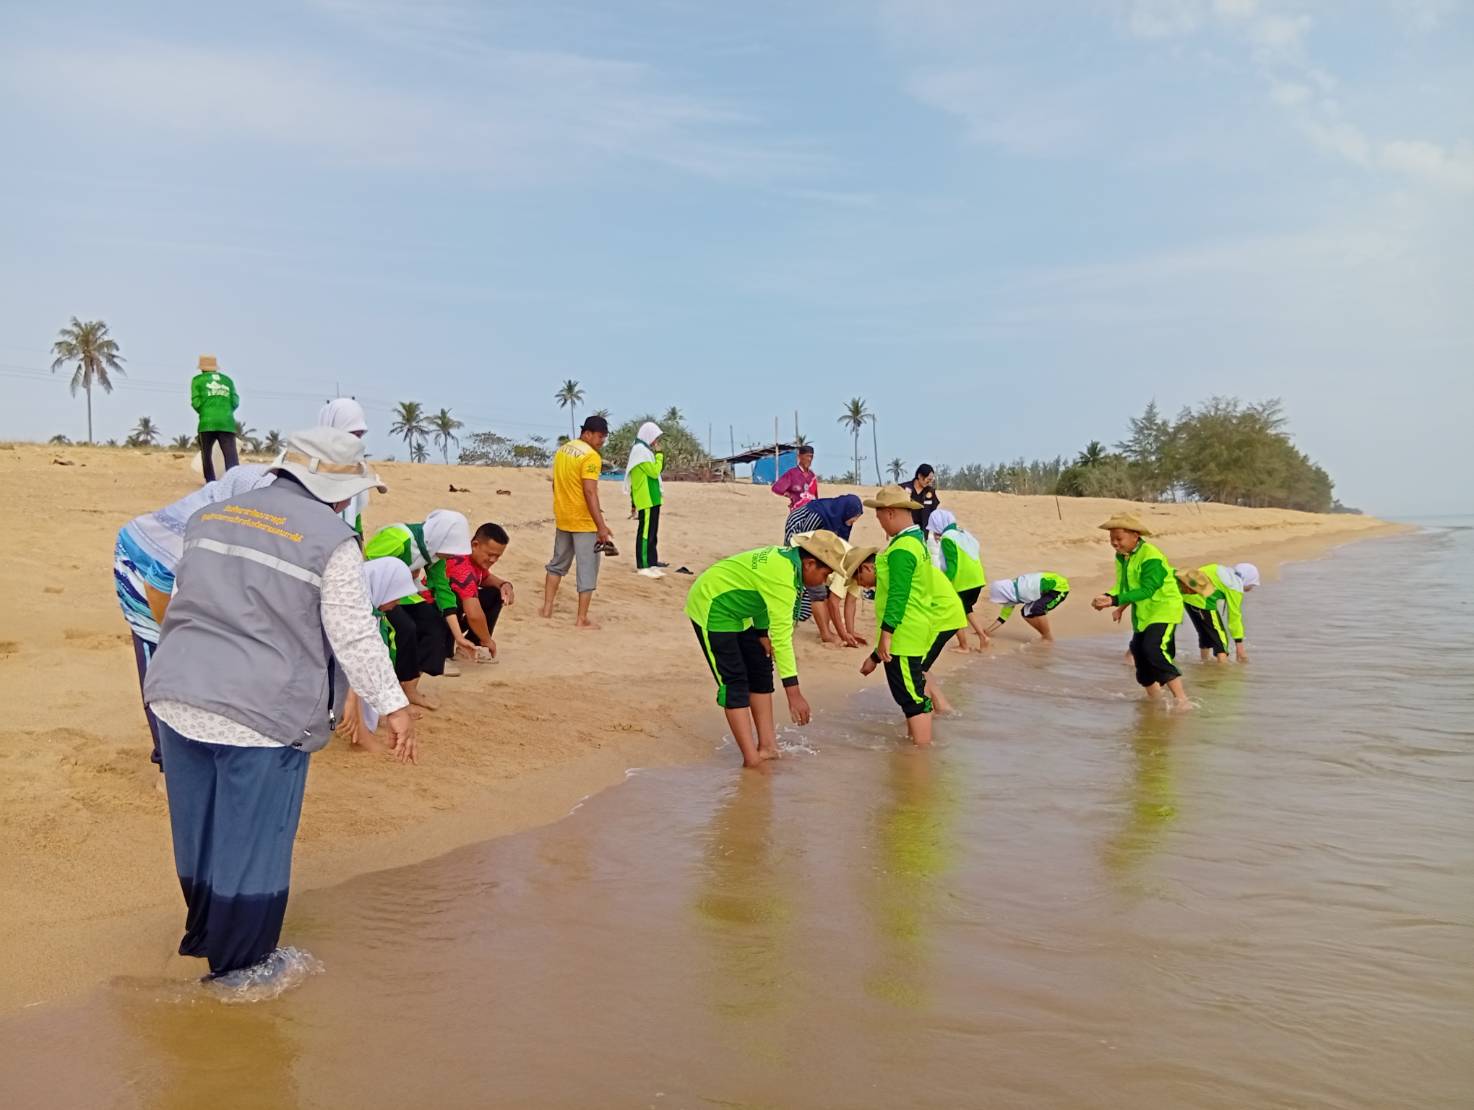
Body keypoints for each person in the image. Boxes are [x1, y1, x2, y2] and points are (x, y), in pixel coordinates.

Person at [142, 427, 414, 986]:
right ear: (340, 491)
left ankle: (205, 933)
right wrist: (394, 707)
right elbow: (354, 635)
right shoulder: (332, 539)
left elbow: (181, 596)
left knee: (199, 830)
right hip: (261, 713)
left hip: (176, 693)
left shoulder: (212, 517)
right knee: (255, 840)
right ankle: (239, 973)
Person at [114, 462, 277, 769]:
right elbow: (157, 580)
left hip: (170, 575)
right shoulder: (202, 524)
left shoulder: (238, 513)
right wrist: (172, 633)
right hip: (137, 566)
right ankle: (165, 763)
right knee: (158, 663)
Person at [685, 531, 848, 768]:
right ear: (809, 563)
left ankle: (768, 747)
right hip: (712, 605)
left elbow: (761, 594)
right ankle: (751, 759)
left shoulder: (790, 564)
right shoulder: (783, 576)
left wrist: (762, 633)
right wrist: (794, 695)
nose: (825, 581)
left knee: (761, 668)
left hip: (743, 611)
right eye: (825, 574)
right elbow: (782, 639)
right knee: (734, 681)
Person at [852, 487, 965, 744]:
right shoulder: (915, 542)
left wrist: (886, 636)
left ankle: (920, 756)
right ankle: (917, 744)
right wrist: (875, 655)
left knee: (912, 697)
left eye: (879, 518)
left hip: (904, 634)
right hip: (912, 630)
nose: (880, 524)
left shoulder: (902, 548)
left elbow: (898, 595)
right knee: (911, 692)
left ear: (890, 513)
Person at [363, 511, 473, 708]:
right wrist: (404, 573)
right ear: (441, 538)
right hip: (378, 594)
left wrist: (459, 636)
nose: (451, 555)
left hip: (406, 592)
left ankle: (410, 687)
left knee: (435, 627)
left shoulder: (435, 550)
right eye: (450, 550)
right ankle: (391, 690)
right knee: (404, 629)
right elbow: (366, 564)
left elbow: (442, 589)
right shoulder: (399, 538)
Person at [1091, 514, 1191, 709]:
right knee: (1138, 653)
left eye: (1118, 539)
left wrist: (1115, 601)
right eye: (1111, 539)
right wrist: (1107, 597)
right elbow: (1124, 585)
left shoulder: (1151, 556)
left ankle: (1182, 700)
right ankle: (1155, 700)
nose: (1114, 544)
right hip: (1143, 612)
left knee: (1153, 649)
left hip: (1164, 608)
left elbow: (1147, 589)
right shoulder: (1123, 556)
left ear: (1135, 536)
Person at [341, 556, 421, 753]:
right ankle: (360, 734)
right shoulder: (351, 605)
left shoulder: (372, 609)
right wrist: (351, 698)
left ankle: (362, 730)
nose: (396, 604)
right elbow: (352, 659)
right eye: (395, 596)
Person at [542, 415, 613, 629]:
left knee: (556, 565)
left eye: (604, 437)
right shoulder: (591, 457)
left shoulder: (564, 450)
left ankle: (547, 609)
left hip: (563, 517)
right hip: (583, 522)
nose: (602, 441)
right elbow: (590, 491)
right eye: (600, 436)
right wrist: (601, 526)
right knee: (587, 570)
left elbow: (556, 484)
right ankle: (581, 619)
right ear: (588, 433)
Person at [783, 493, 864, 636]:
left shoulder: (843, 520)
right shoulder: (818, 515)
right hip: (799, 532)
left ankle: (823, 629)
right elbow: (806, 540)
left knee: (822, 587)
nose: (854, 521)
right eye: (854, 517)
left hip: (820, 545)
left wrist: (849, 633)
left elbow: (839, 544)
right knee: (813, 585)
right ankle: (824, 632)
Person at [444, 522, 514, 663]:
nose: (493, 560)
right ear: (475, 545)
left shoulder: (473, 559)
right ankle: (443, 655)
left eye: (497, 556)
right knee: (458, 602)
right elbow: (474, 615)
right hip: (436, 614)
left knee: (495, 593)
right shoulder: (462, 567)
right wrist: (488, 640)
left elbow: (486, 578)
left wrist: (505, 585)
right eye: (490, 554)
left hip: (452, 612)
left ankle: (471, 647)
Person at [925, 509, 990, 652]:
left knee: (955, 613)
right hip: (977, 579)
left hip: (963, 582)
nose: (934, 533)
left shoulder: (948, 538)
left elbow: (952, 565)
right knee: (967, 609)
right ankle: (983, 637)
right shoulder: (964, 533)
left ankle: (964, 646)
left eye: (934, 529)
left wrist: (944, 583)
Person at [1182, 562, 1259, 663]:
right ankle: (1222, 671)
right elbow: (1234, 617)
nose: (1251, 588)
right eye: (1252, 584)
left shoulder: (1220, 569)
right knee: (1221, 640)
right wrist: (1239, 647)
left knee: (1205, 633)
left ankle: (1204, 662)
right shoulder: (1235, 586)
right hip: (1203, 602)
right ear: (1247, 580)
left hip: (1187, 596)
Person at [316, 398, 370, 534]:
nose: (356, 442)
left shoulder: (354, 471)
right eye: (351, 434)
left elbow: (354, 520)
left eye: (359, 435)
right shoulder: (306, 466)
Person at [624, 420, 665, 578]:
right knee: (645, 533)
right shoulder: (640, 451)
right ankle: (642, 565)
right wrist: (660, 456)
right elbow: (654, 472)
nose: (656, 442)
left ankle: (652, 563)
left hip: (653, 497)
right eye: (655, 437)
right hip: (645, 498)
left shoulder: (646, 451)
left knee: (653, 532)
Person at [191, 355, 240, 482]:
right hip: (227, 423)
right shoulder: (228, 381)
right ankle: (233, 482)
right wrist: (226, 412)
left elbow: (195, 402)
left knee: (207, 455)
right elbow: (235, 402)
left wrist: (205, 411)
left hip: (207, 423)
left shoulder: (198, 380)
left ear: (202, 368)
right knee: (231, 456)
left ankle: (210, 483)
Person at [983, 572, 1072, 642]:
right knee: (1026, 613)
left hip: (1058, 588)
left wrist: (1041, 597)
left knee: (1036, 609)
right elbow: (1003, 617)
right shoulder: (1011, 595)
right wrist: (987, 631)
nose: (1002, 603)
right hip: (1045, 589)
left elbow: (1044, 583)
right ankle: (1045, 636)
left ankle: (1048, 638)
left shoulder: (1024, 590)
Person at [771, 445, 819, 514]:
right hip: (797, 514)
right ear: (799, 457)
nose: (809, 459)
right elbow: (776, 488)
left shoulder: (812, 476)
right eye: (807, 456)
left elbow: (815, 497)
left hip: (811, 514)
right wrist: (788, 494)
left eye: (811, 456)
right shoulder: (792, 474)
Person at [901, 464, 941, 531]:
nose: (930, 483)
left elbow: (933, 511)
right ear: (920, 476)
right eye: (928, 480)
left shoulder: (931, 492)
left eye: (931, 480)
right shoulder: (903, 488)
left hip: (923, 532)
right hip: (905, 530)